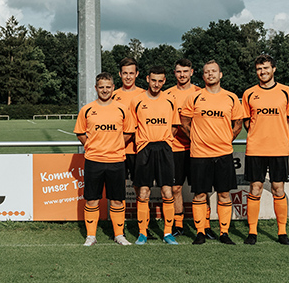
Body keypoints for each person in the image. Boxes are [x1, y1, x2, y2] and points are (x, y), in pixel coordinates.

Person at [179, 60, 244, 245]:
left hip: (223, 153)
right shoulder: (194, 98)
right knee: (199, 194)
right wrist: (196, 138)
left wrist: (226, 139)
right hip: (200, 154)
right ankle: (200, 232)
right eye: (207, 72)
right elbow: (184, 122)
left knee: (224, 194)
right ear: (203, 75)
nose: (210, 74)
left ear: (220, 74)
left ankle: (224, 233)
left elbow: (238, 124)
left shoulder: (231, 97)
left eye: (214, 71)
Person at [75, 72, 134, 246]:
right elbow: (80, 132)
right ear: (96, 88)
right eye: (101, 87)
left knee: (117, 199)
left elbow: (129, 132)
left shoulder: (122, 108)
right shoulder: (87, 109)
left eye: (108, 87)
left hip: (116, 160)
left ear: (113, 87)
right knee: (92, 199)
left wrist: (115, 144)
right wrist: (91, 145)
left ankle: (119, 235)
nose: (105, 90)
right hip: (94, 160)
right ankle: (91, 236)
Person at [241, 54, 289, 245]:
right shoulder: (249, 93)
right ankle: (252, 232)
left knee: (278, 189)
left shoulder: (285, 92)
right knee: (255, 188)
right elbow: (246, 121)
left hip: (279, 148)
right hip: (256, 149)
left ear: (274, 69)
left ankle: (282, 232)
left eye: (266, 68)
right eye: (259, 69)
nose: (263, 72)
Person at [131, 67, 179, 245]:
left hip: (165, 149)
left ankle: (167, 233)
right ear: (147, 79)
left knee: (167, 191)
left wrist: (165, 141)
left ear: (164, 81)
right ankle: (142, 233)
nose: (156, 84)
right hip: (144, 149)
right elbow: (132, 126)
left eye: (160, 81)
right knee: (143, 192)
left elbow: (175, 125)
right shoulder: (136, 101)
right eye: (153, 80)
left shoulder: (170, 100)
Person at [165, 59, 203, 237]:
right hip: (175, 147)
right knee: (176, 188)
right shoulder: (167, 94)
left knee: (200, 188)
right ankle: (178, 225)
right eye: (179, 71)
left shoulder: (200, 93)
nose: (182, 75)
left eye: (185, 71)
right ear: (174, 73)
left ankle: (204, 226)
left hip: (198, 148)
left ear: (192, 72)